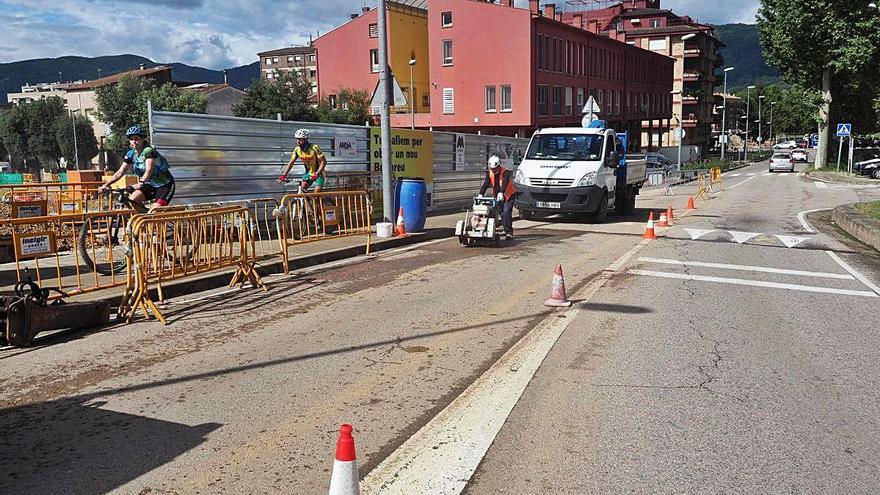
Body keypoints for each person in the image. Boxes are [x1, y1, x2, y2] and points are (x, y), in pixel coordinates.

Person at [99, 125, 175, 210]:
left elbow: (149, 170)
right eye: (131, 139)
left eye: (136, 138)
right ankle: (145, 221)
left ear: (143, 139)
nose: (134, 142)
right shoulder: (131, 154)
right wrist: (106, 185)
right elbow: (120, 172)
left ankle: (152, 220)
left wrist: (141, 183)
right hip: (150, 184)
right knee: (132, 200)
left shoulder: (148, 151)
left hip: (164, 184)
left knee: (155, 211)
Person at [479, 155, 517, 239]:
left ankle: (509, 232)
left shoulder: (505, 172)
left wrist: (501, 192)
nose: (494, 170)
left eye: (495, 168)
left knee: (506, 211)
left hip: (508, 194)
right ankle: (505, 228)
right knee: (501, 213)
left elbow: (505, 183)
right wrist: (481, 194)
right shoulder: (490, 173)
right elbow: (485, 184)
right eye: (492, 168)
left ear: (499, 166)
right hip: (497, 195)